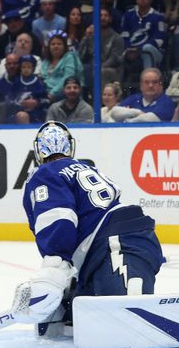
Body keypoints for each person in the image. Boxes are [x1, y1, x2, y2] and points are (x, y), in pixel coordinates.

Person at [15, 121, 165, 333]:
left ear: (39, 150)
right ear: (70, 146)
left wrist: (54, 265)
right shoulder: (86, 168)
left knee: (127, 315)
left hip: (117, 246)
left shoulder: (45, 173)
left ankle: (137, 303)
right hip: (116, 246)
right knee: (77, 313)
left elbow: (59, 218)